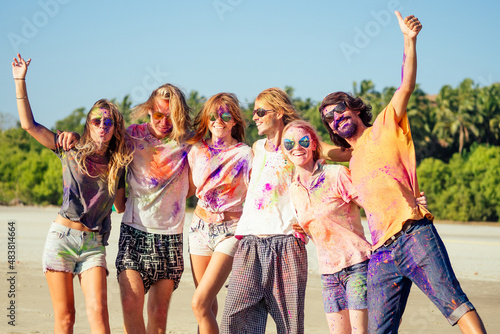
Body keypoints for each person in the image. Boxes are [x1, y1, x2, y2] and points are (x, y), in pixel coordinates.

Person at [319, 12, 487, 333]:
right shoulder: (350, 158)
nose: (336, 117)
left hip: (415, 235)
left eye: (340, 109)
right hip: (381, 253)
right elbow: (318, 150)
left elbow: (406, 84)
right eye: (329, 118)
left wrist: (409, 41)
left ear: (355, 108)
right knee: (379, 329)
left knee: (453, 301)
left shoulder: (385, 124)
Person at [12, 54, 133, 334]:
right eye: (97, 120)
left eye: (109, 122)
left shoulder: (118, 166)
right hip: (62, 239)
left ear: (115, 128)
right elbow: (29, 126)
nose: (103, 125)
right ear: (88, 124)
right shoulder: (70, 149)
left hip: (93, 244)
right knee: (66, 318)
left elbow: (120, 207)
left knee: (100, 316)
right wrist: (20, 81)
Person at [220, 88, 351, 334]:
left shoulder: (298, 146)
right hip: (249, 241)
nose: (255, 117)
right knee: (233, 318)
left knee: (288, 325)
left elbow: (346, 153)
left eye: (260, 111)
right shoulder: (257, 148)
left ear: (279, 113)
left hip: (287, 243)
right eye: (254, 112)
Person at [113, 84, 192, 334]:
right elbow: (107, 154)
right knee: (129, 303)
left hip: (170, 237)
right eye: (158, 115)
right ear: (149, 111)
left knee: (158, 314)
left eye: (171, 116)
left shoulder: (187, 141)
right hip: (134, 233)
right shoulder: (132, 135)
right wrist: (119, 199)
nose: (164, 121)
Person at [281, 120, 371, 334]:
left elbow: (371, 204)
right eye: (289, 143)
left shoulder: (336, 174)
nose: (297, 147)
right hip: (328, 273)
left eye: (303, 141)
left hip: (357, 265)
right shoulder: (294, 189)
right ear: (284, 150)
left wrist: (411, 202)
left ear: (313, 144)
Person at [187, 93, 252, 333]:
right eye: (213, 116)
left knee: (199, 303)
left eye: (225, 116)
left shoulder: (245, 154)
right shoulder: (196, 151)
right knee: (207, 306)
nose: (218, 121)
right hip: (199, 230)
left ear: (235, 120)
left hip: (230, 232)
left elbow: (259, 195)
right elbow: (189, 190)